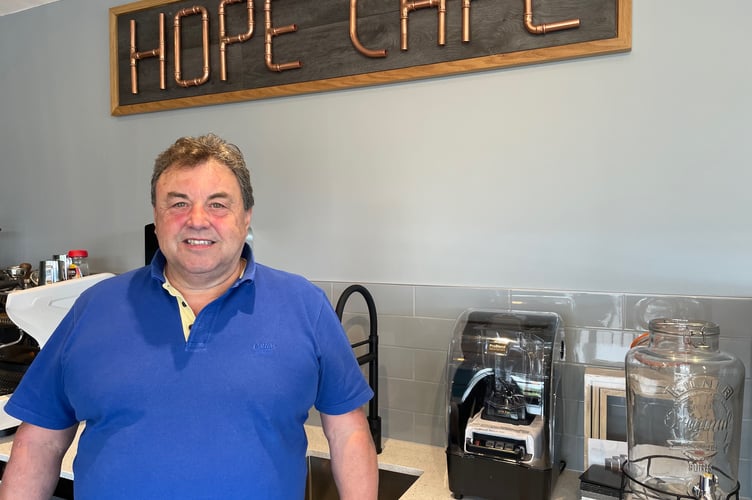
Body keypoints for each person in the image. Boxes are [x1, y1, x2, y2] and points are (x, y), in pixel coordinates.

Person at [0, 133, 378, 499]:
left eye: (218, 204)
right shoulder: (94, 306)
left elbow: (348, 433)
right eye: (178, 203)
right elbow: (41, 440)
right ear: (156, 216)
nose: (197, 220)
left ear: (246, 217)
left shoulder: (304, 305)